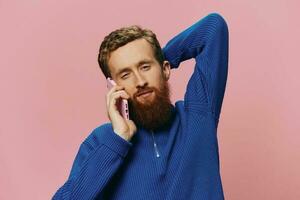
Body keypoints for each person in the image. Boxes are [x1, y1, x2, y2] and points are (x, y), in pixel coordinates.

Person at [53, 12, 229, 200]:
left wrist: (160, 58)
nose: (140, 81)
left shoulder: (198, 115)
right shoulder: (102, 142)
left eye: (145, 67)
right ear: (114, 86)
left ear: (165, 69)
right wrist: (118, 139)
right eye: (125, 74)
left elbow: (213, 28)